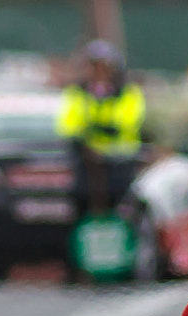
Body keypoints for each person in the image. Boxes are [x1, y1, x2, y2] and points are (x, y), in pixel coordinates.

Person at [56, 40, 147, 215]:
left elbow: (128, 122)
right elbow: (69, 127)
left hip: (121, 165)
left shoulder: (128, 93)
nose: (99, 72)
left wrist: (96, 126)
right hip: (87, 168)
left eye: (103, 67)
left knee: (124, 210)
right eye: (93, 67)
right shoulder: (76, 93)